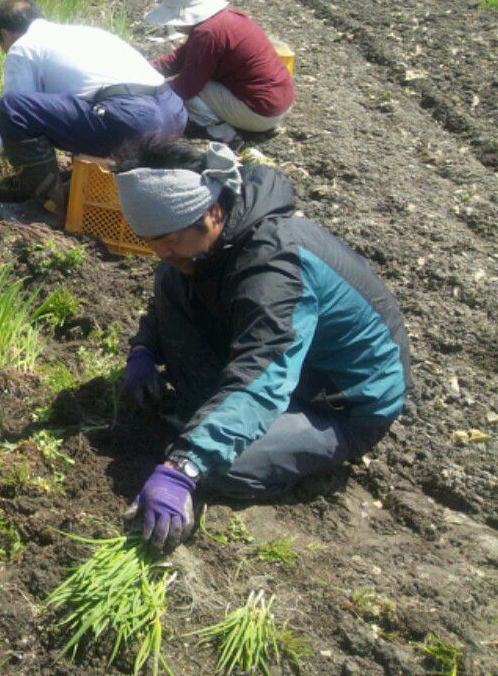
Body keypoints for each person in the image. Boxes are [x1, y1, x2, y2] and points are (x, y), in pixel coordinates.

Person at [112, 139, 410, 552]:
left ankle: (273, 446)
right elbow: (171, 297)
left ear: (212, 212)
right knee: (172, 278)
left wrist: (184, 466)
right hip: (291, 363)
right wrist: (145, 351)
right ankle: (214, 420)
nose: (160, 251)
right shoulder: (206, 244)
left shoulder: (276, 269)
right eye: (150, 240)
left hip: (338, 402)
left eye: (170, 238)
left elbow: (264, 375)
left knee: (222, 468)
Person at [0, 0, 186, 207]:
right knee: (83, 110)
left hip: (132, 120)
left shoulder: (22, 46)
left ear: (5, 34)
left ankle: (48, 207)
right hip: (172, 113)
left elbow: (17, 114)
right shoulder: (85, 33)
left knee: (10, 108)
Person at [144, 0, 294, 146]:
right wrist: (143, 71)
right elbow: (178, 58)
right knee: (181, 87)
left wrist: (148, 95)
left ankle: (223, 133)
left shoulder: (207, 34)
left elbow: (187, 86)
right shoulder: (224, 19)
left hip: (261, 112)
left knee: (184, 95)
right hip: (280, 103)